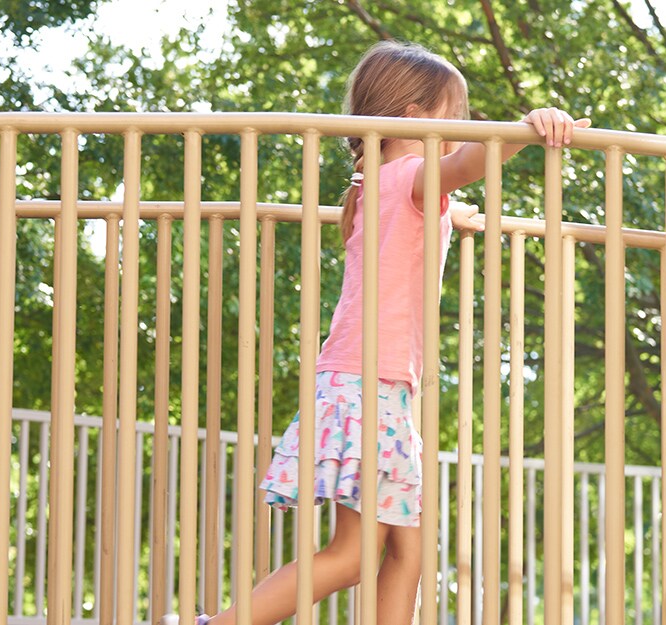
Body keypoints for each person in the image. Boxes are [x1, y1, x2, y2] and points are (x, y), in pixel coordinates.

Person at [193, 41, 589, 625]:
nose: (463, 128)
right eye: (455, 117)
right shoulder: (413, 175)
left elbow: (411, 211)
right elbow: (462, 166)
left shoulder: (370, 187)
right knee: (353, 555)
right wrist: (527, 128)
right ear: (412, 120)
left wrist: (449, 216)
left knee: (409, 546)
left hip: (363, 382)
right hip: (370, 384)